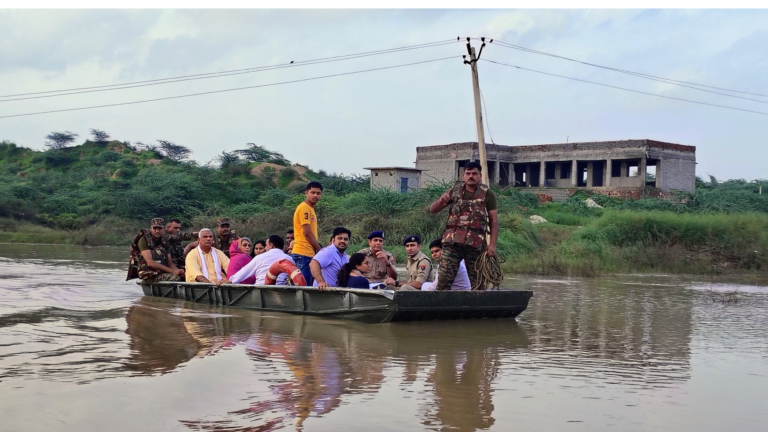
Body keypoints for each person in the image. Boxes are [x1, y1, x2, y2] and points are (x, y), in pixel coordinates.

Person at [428, 161, 499, 290]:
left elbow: (494, 221)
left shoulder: (488, 194)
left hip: (475, 245)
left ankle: (477, 308)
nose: (471, 176)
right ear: (463, 175)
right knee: (443, 281)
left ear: (480, 175)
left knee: (478, 283)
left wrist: (492, 245)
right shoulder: (454, 191)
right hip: (453, 243)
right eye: (468, 173)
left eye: (474, 174)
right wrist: (441, 200)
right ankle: (442, 307)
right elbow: (433, 209)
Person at [128, 217, 184, 282]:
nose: (157, 230)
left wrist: (179, 272)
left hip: (163, 272)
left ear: (164, 229)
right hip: (150, 274)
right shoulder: (144, 240)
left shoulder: (165, 240)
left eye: (160, 228)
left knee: (184, 277)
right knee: (175, 278)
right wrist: (172, 271)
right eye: (155, 228)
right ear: (151, 228)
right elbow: (150, 263)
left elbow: (170, 263)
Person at [292, 181, 324, 285]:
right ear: (306, 193)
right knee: (303, 289)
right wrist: (319, 250)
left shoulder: (310, 209)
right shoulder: (304, 208)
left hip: (307, 253)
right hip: (303, 253)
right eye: (312, 192)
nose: (315, 195)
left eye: (318, 193)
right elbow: (307, 233)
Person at [230, 235, 295, 285]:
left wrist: (231, 279)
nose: (265, 248)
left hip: (259, 294)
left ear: (271, 245)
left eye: (266, 245)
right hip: (283, 295)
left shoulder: (259, 258)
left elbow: (242, 274)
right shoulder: (290, 259)